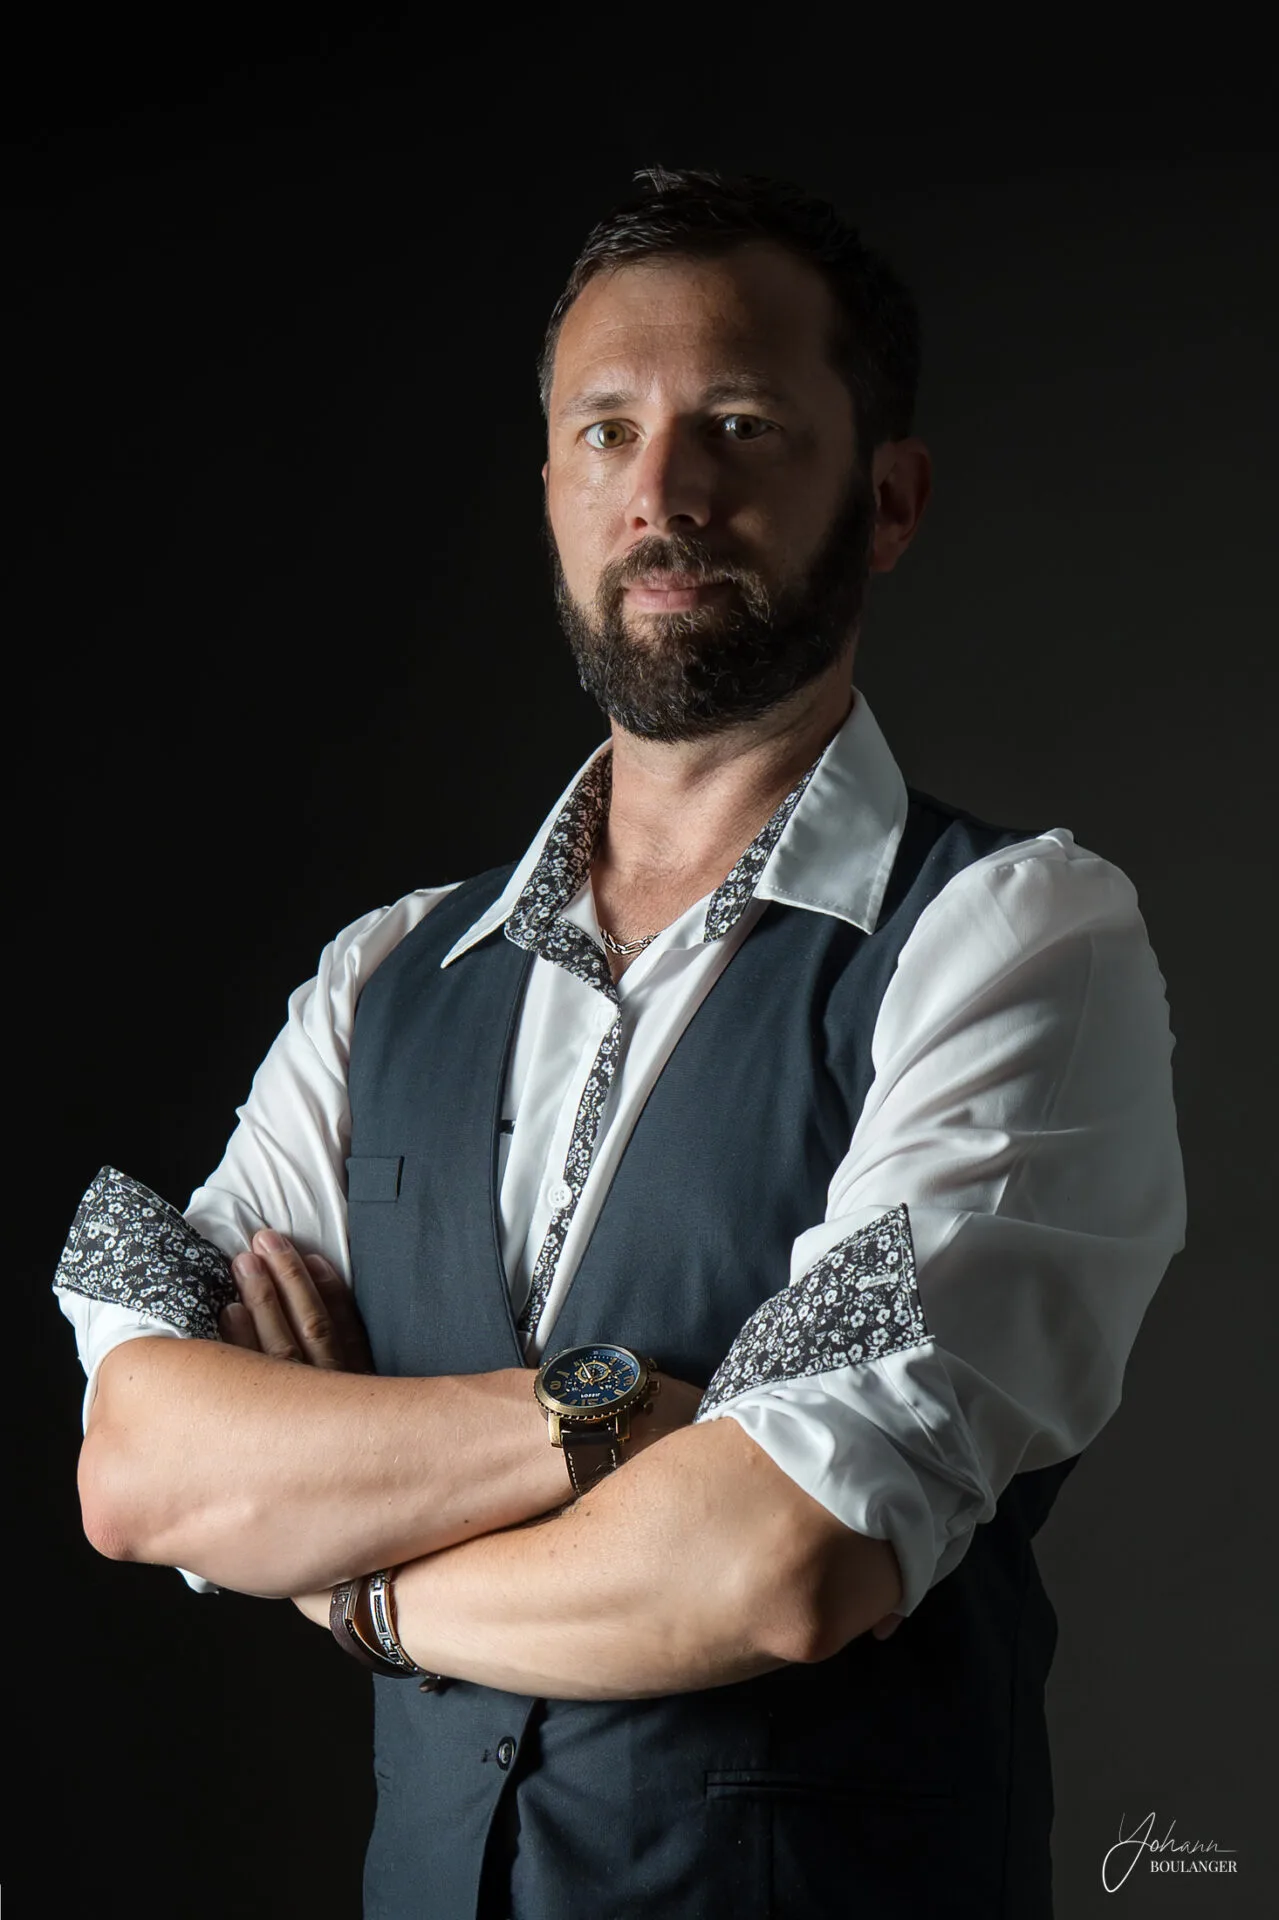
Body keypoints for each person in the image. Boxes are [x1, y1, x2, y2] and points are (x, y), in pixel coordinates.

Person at [54, 164, 1187, 1920]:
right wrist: (598, 1428)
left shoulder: (1012, 938)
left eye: (736, 424)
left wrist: (352, 1583)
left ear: (887, 500)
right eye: (604, 433)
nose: (660, 492)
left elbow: (778, 1557)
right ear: (550, 492)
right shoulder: (381, 976)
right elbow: (139, 1464)